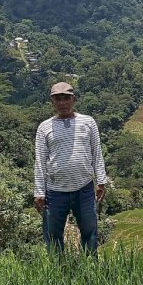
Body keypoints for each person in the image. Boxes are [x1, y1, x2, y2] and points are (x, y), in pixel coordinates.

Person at [34, 82, 108, 255]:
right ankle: (58, 274)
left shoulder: (88, 122)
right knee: (53, 237)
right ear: (52, 102)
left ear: (74, 99)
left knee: (90, 234)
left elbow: (96, 152)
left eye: (66, 98)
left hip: (84, 189)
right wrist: (39, 192)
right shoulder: (44, 127)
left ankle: (90, 271)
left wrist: (101, 181)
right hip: (54, 192)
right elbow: (40, 161)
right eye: (58, 99)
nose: (62, 103)